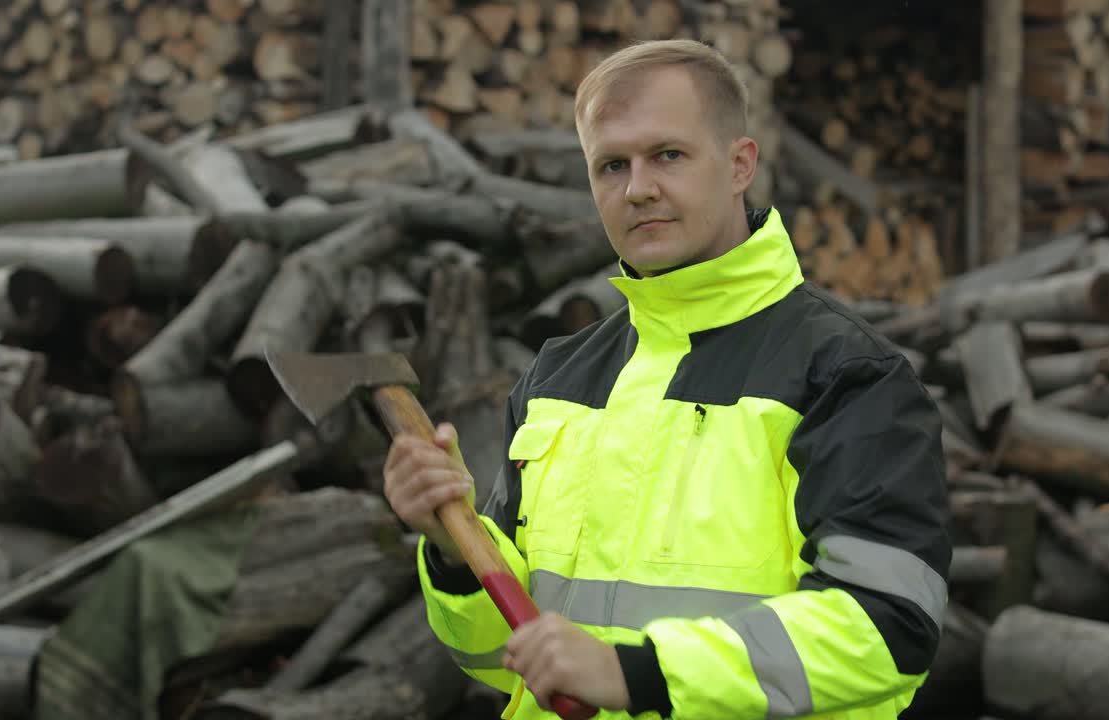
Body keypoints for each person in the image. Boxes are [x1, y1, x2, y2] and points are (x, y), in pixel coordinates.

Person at [383, 38, 950, 720]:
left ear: (740, 164)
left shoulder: (847, 375)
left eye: (668, 156)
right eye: (611, 165)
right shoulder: (559, 375)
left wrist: (640, 674)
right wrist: (452, 552)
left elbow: (887, 631)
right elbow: (500, 659)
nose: (639, 187)